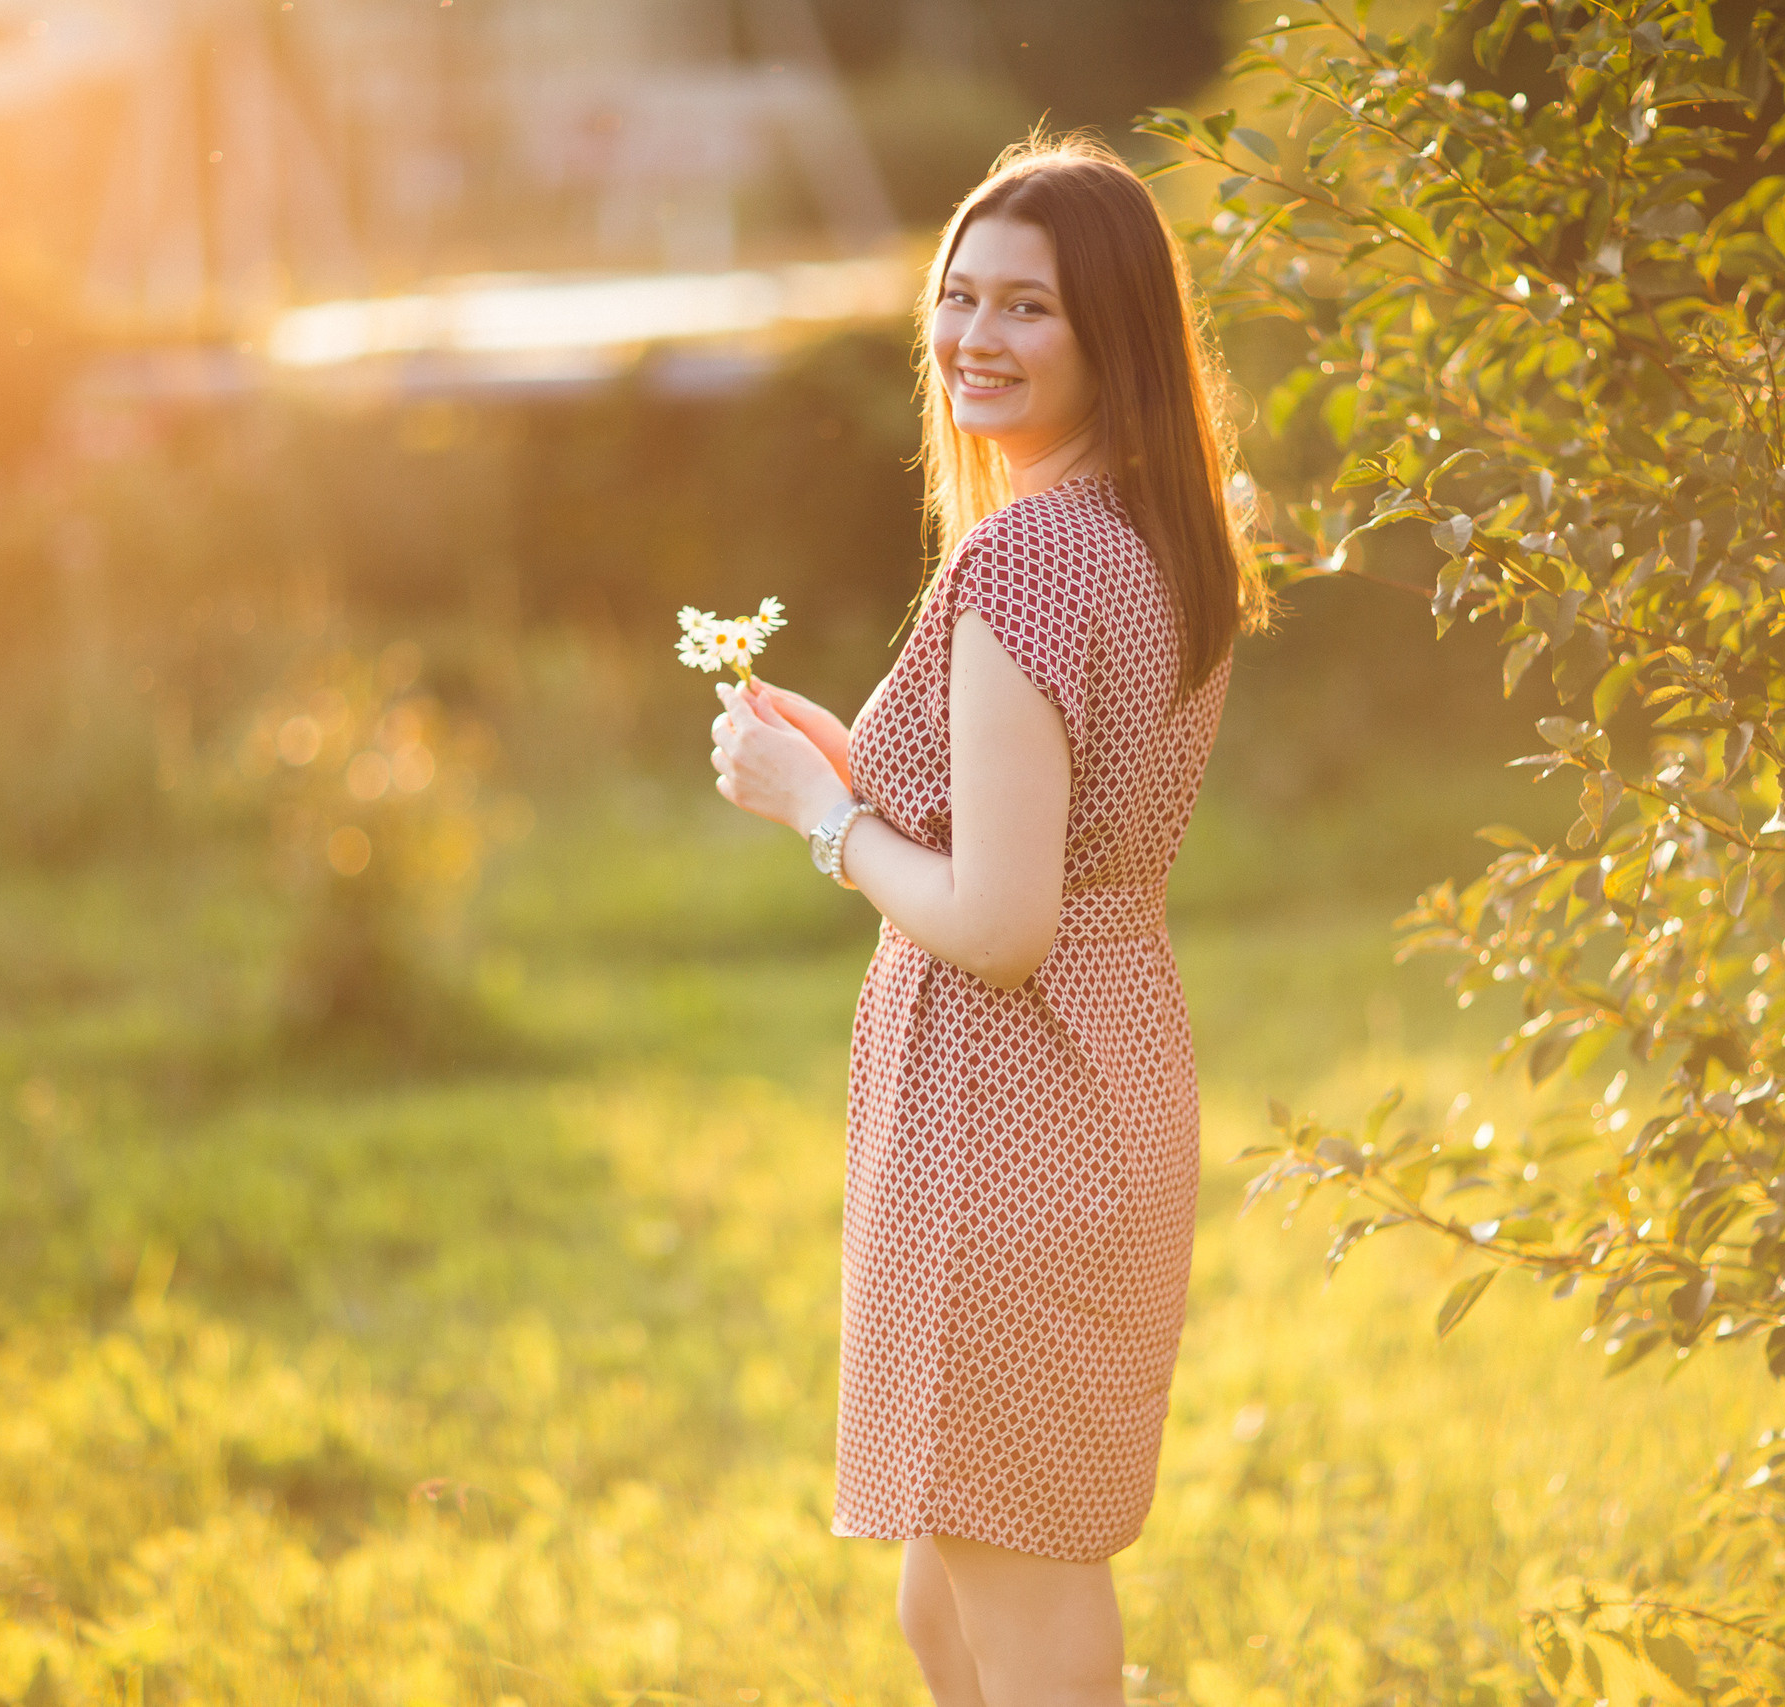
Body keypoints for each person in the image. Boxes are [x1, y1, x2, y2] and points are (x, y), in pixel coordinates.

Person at [706, 135, 1267, 1707]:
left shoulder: (1023, 558)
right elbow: (1048, 823)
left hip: (1005, 1116)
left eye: (1030, 308)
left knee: (1016, 1606)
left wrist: (824, 822)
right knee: (949, 1608)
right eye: (959, 298)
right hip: (1107, 1075)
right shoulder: (1156, 535)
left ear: (1114, 340)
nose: (976, 338)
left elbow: (1006, 918)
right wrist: (855, 767)